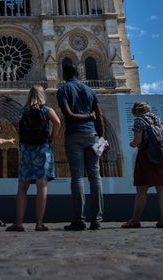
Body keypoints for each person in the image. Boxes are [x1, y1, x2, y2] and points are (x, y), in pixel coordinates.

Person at [56, 63, 105, 231]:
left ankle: (78, 220)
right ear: (78, 73)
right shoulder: (90, 91)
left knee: (77, 177)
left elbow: (68, 115)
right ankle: (97, 219)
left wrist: (84, 116)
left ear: (64, 74)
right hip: (93, 136)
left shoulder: (63, 90)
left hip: (74, 136)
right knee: (95, 177)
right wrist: (102, 139)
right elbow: (99, 116)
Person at [6, 85, 61, 232]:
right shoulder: (45, 110)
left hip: (26, 150)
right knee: (41, 185)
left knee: (22, 187)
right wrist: (52, 137)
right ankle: (39, 223)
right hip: (42, 148)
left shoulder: (22, 111)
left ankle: (18, 223)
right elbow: (57, 122)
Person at [122, 101, 163, 228]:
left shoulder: (139, 121)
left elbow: (137, 141)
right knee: (162, 188)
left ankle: (135, 219)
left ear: (136, 111)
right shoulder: (158, 119)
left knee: (142, 189)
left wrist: (131, 144)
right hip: (162, 155)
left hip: (147, 156)